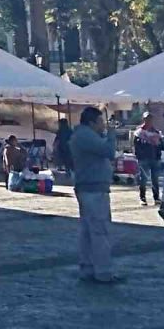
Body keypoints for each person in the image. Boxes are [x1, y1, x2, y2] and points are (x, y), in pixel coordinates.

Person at [70, 103, 119, 285]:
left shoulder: (83, 135)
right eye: (101, 122)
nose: (103, 125)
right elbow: (109, 151)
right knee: (99, 231)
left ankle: (88, 268)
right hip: (93, 189)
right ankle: (103, 272)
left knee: (88, 230)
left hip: (89, 187)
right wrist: (112, 134)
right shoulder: (86, 136)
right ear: (91, 122)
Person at [132, 114, 162, 206]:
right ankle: (142, 198)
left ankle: (156, 198)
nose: (148, 121)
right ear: (143, 119)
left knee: (155, 179)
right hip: (143, 159)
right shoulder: (139, 132)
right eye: (146, 119)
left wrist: (158, 156)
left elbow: (160, 145)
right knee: (143, 179)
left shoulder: (156, 132)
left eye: (150, 119)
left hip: (154, 159)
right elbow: (136, 146)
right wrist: (138, 156)